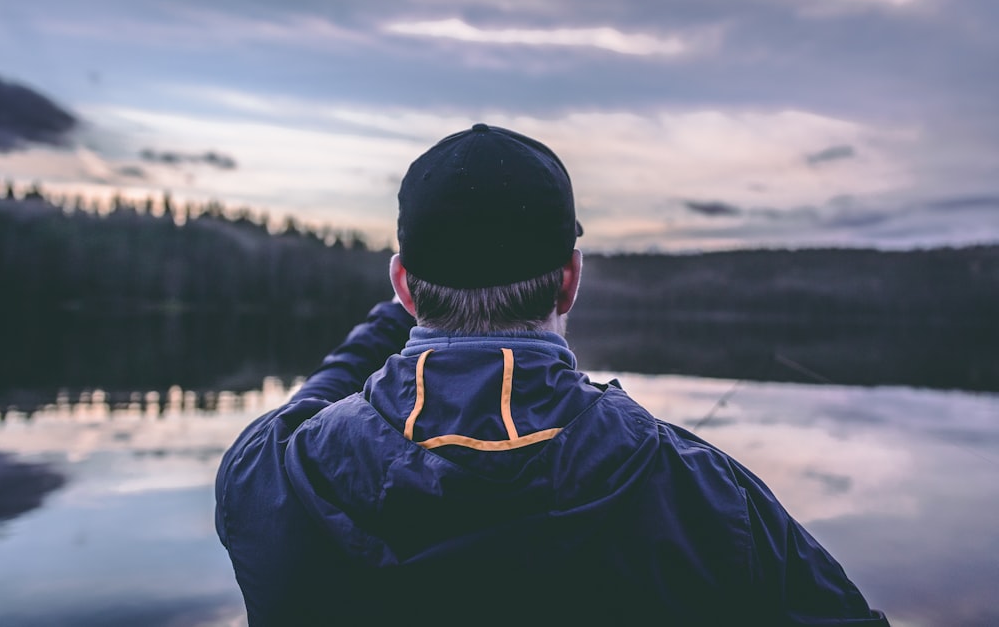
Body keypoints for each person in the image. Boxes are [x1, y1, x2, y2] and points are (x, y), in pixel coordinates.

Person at [215, 123, 889, 625]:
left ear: (404, 285)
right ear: (570, 281)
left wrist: (396, 317)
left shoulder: (271, 477)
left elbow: (318, 396)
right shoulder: (708, 497)